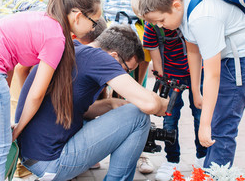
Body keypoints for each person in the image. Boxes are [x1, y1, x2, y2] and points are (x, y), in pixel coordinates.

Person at [0, 0, 102, 180]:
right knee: (0, 144)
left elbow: (9, 60)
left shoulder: (39, 18)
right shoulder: (56, 37)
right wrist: (18, 128)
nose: (94, 28)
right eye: (94, 22)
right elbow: (37, 94)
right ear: (78, 15)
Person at [138, 0, 245, 169]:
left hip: (242, 60)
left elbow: (212, 74)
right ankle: (209, 171)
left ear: (176, 5)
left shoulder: (202, 18)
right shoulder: (185, 8)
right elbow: (193, 50)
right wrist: (196, 91)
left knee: (222, 126)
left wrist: (204, 124)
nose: (161, 26)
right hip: (227, 57)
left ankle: (215, 174)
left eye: (161, 20)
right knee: (217, 121)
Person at [15, 25, 169, 181]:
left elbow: (81, 110)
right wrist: (163, 103)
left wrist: (110, 104)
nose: (125, 74)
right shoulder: (99, 58)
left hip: (32, 156)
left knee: (129, 112)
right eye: (126, 69)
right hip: (52, 163)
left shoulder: (74, 48)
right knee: (139, 116)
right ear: (114, 56)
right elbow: (150, 105)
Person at [131, 0, 207, 180]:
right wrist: (164, 80)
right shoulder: (152, 26)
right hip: (171, 76)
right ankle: (172, 160)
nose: (155, 24)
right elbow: (156, 58)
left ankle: (203, 157)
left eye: (157, 19)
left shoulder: (185, 19)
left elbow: (198, 49)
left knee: (200, 114)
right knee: (170, 118)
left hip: (198, 72)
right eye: (149, 20)